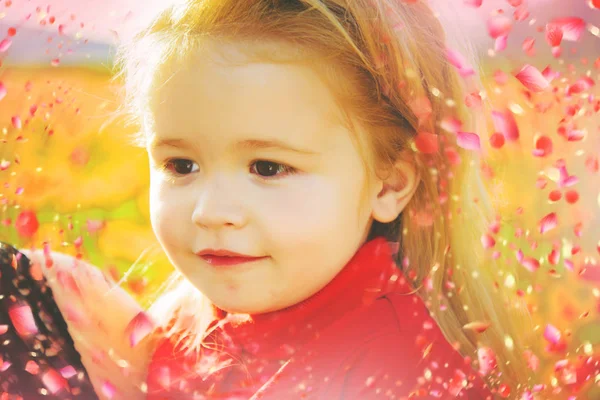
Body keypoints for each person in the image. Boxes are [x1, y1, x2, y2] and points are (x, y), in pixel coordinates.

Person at [3, 0, 540, 398]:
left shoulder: (394, 372)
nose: (210, 211)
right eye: (180, 165)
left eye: (268, 168)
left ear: (389, 184)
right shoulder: (205, 312)